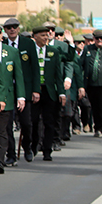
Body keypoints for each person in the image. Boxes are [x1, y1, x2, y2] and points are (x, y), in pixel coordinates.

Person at [0, 23, 25, 174]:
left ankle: (0, 160)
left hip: (6, 96)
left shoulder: (12, 52)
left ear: (2, 34)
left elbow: (18, 76)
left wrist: (21, 96)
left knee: (2, 130)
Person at [27, 23, 67, 161]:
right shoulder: (30, 51)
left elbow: (58, 74)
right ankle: (33, 145)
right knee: (33, 121)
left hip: (49, 91)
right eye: (43, 35)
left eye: (47, 35)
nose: (46, 38)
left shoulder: (53, 51)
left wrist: (61, 92)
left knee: (49, 121)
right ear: (35, 36)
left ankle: (47, 150)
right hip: (34, 91)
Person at [3, 17, 38, 165]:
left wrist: (36, 90)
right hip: (7, 90)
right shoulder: (2, 44)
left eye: (14, 26)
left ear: (18, 28)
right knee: (7, 125)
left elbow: (35, 68)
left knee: (26, 123)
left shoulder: (28, 43)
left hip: (25, 89)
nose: (12, 29)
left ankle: (27, 146)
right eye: (9, 27)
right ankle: (10, 153)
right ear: (5, 30)